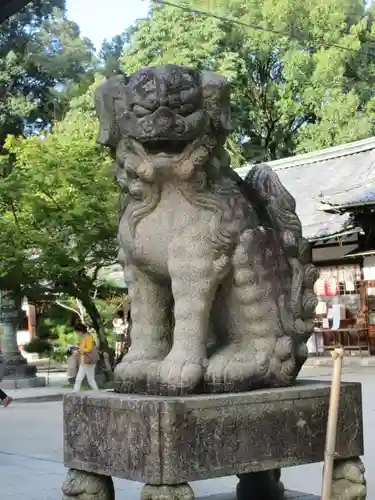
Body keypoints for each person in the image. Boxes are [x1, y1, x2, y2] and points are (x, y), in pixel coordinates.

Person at [73, 324, 99, 392]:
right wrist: (79, 348)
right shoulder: (86, 337)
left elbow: (89, 348)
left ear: (80, 331)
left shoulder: (88, 337)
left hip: (86, 359)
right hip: (87, 359)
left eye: (77, 332)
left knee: (79, 377)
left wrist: (80, 349)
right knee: (90, 378)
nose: (77, 334)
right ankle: (96, 391)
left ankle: (75, 391)